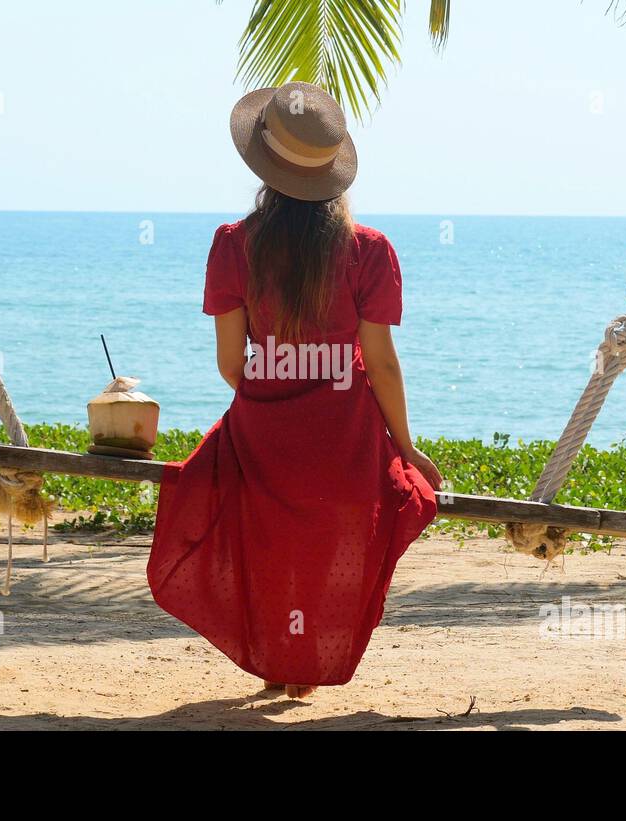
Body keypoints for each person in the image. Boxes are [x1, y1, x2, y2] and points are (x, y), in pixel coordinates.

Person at [148, 82, 441, 700]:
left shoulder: (234, 244)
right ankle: (304, 660)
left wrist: (275, 392)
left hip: (264, 436)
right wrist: (404, 447)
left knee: (264, 526)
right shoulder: (369, 251)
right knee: (343, 525)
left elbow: (232, 363)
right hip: (347, 442)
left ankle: (282, 658)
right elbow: (381, 366)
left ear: (263, 166)